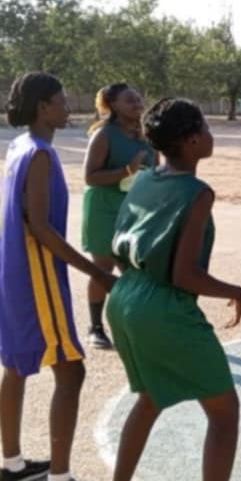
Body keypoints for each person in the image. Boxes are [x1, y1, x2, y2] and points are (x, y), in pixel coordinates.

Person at [95, 97, 241, 481]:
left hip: (124, 298)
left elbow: (119, 248)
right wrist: (235, 290)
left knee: (149, 396)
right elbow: (185, 274)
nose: (209, 132)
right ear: (189, 141)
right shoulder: (197, 192)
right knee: (224, 415)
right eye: (204, 125)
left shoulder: (142, 178)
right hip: (164, 304)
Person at [0, 72, 113, 481]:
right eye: (62, 101)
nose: (68, 107)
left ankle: (12, 464)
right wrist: (95, 272)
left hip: (10, 272)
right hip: (36, 274)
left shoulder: (17, 147)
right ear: (43, 107)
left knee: (16, 365)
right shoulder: (40, 155)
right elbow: (40, 227)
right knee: (71, 370)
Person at [81, 83, 154, 350]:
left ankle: (134, 324)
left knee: (135, 269)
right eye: (129, 100)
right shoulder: (104, 135)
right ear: (113, 105)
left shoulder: (145, 136)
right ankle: (95, 327)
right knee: (104, 267)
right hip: (104, 207)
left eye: (138, 99)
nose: (137, 104)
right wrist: (126, 169)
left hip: (134, 209)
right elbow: (90, 176)